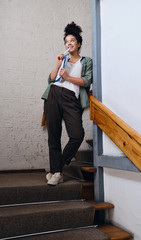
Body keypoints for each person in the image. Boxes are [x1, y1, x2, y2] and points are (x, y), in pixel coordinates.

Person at [41, 22, 92, 185]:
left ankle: (57, 167)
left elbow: (86, 81)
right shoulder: (63, 60)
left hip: (71, 98)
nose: (69, 44)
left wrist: (68, 77)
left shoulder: (86, 61)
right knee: (53, 136)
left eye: (72, 41)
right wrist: (58, 63)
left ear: (79, 43)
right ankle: (57, 173)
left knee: (77, 135)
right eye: (66, 41)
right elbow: (51, 79)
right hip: (54, 94)